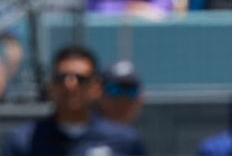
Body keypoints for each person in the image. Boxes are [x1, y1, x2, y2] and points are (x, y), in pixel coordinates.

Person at [2, 45, 145, 156]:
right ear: (50, 85)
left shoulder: (123, 140)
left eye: (80, 79)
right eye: (62, 78)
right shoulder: (24, 140)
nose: (71, 85)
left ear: (96, 87)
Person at [97, 60, 143, 126]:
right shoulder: (82, 130)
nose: (123, 97)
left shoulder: (136, 133)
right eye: (114, 89)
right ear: (98, 93)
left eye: (131, 90)